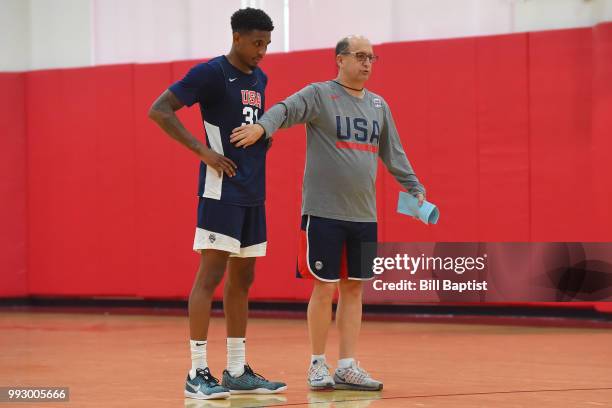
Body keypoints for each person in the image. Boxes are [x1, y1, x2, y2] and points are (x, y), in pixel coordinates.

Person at [230, 35, 426, 392]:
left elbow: (393, 153)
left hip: (364, 216)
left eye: (372, 57)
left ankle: (347, 366)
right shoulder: (320, 95)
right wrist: (262, 127)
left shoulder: (380, 106)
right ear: (340, 60)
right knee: (325, 288)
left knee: (355, 290)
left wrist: (414, 189)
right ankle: (317, 364)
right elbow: (284, 110)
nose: (367, 63)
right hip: (323, 213)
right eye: (360, 56)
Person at [148, 7, 286, 400]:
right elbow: (159, 110)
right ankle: (196, 372)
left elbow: (245, 122)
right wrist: (203, 152)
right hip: (220, 191)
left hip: (252, 192)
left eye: (267, 44)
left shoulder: (260, 78)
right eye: (257, 43)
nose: (262, 51)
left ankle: (237, 370)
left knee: (243, 281)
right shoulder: (210, 73)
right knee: (209, 278)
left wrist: (264, 137)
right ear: (237, 37)